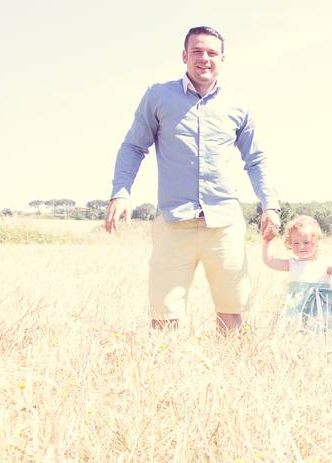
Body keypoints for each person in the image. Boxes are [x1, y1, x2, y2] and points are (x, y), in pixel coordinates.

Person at [105, 26, 282, 333]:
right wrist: (121, 192)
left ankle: (230, 376)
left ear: (222, 59)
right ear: (184, 56)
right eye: (197, 51)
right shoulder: (159, 96)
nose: (204, 59)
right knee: (164, 316)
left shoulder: (239, 104)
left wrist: (271, 205)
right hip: (175, 222)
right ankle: (169, 376)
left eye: (212, 53)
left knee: (233, 313)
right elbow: (133, 146)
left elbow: (256, 159)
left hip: (224, 223)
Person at [261, 215, 332, 332]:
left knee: (319, 334)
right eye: (296, 243)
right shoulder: (292, 264)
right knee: (296, 334)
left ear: (316, 242)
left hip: (319, 310)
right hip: (296, 309)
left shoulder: (325, 264)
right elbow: (269, 261)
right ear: (290, 243)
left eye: (306, 242)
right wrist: (267, 241)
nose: (301, 246)